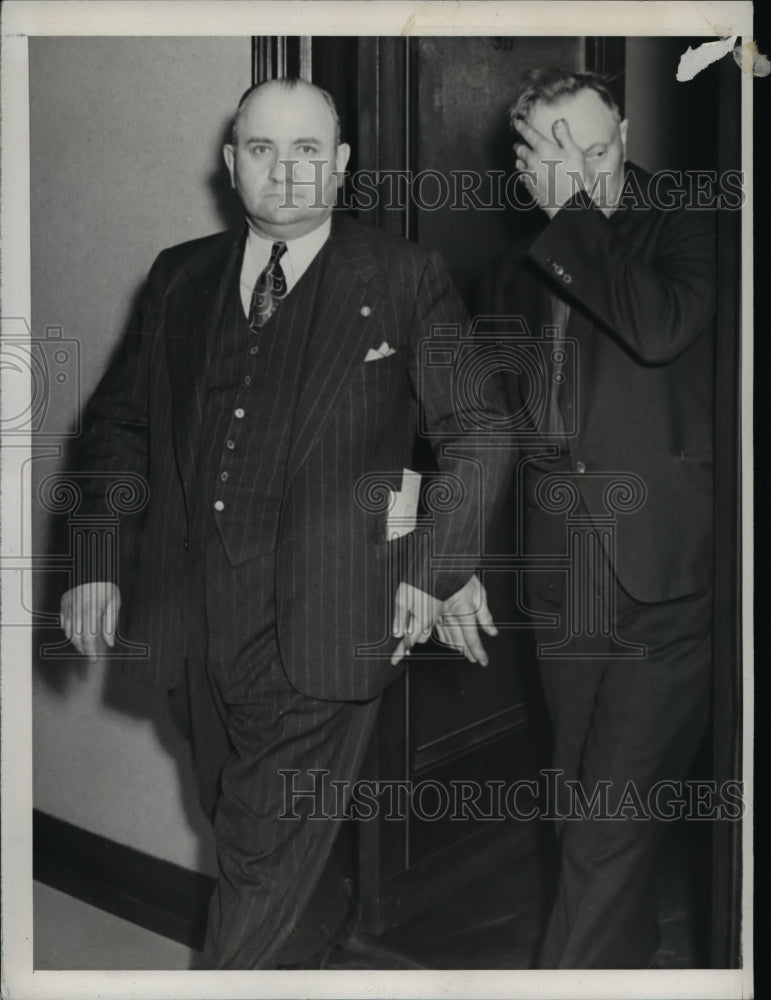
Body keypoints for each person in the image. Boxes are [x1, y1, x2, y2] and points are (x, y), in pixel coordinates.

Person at [59, 77, 511, 969]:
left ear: (341, 166)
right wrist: (97, 556)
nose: (287, 172)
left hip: (334, 622)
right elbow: (120, 425)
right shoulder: (178, 276)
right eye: (262, 150)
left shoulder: (401, 274)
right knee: (245, 829)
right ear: (231, 166)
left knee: (260, 860)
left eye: (308, 151)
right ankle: (309, 949)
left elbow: (479, 429)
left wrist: (434, 567)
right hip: (193, 622)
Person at [477, 68, 716, 968]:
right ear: (523, 161)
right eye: (558, 151)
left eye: (599, 143)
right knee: (580, 803)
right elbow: (496, 423)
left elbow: (658, 328)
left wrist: (573, 213)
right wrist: (451, 558)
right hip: (562, 576)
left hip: (669, 576)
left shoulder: (695, 219)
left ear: (621, 129)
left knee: (611, 816)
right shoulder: (511, 268)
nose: (588, 167)